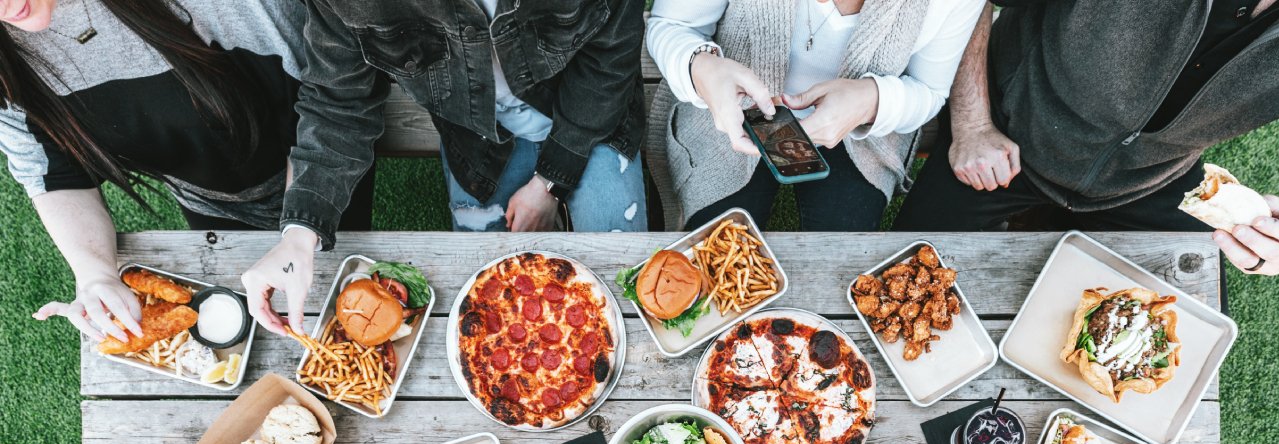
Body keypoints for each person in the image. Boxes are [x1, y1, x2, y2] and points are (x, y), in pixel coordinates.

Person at [243, 0, 649, 337]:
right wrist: (299, 236)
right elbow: (337, 103)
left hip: (592, 119)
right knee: (487, 314)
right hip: (478, 141)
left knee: (628, 288)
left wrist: (549, 182)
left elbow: (610, 58)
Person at [2, 0, 372, 343]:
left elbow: (331, 103)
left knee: (348, 307)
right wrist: (94, 273)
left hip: (320, 172)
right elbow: (53, 172)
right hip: (206, 200)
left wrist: (300, 230)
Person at [892, 1, 1279, 277]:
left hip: (1155, 174)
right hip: (1008, 126)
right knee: (902, 275)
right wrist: (971, 122)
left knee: (1179, 343)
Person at [644, 0, 984, 231]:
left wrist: (872, 100)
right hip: (727, 114)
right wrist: (703, 68)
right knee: (715, 259)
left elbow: (928, 89)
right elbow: (673, 26)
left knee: (839, 262)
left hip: (861, 137)